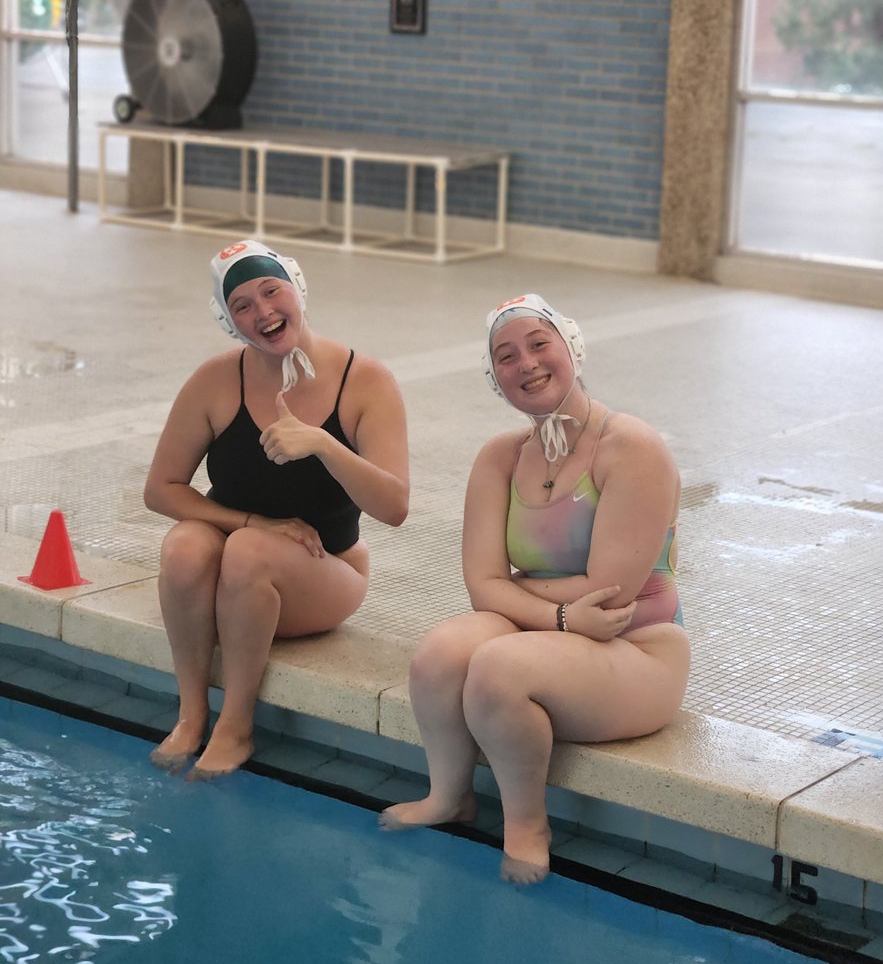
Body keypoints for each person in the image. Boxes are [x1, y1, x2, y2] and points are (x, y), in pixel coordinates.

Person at [380, 293, 689, 884]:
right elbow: (480, 587)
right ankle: (450, 795)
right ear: (495, 378)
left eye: (539, 344)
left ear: (570, 346)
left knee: (498, 669)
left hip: (638, 649)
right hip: (559, 634)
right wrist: (561, 617)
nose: (526, 363)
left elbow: (610, 592)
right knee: (440, 654)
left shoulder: (631, 448)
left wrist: (516, 586)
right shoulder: (500, 459)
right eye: (506, 356)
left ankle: (526, 826)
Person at [144, 240, 409, 778]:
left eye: (271, 291)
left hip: (328, 573)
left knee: (246, 554)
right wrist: (250, 522)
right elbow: (161, 488)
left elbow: (395, 506)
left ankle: (235, 726)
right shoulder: (215, 381)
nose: (263, 311)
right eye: (242, 304)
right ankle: (192, 714)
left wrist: (323, 444)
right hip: (234, 578)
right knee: (185, 547)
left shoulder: (366, 381)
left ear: (298, 291)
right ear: (229, 321)